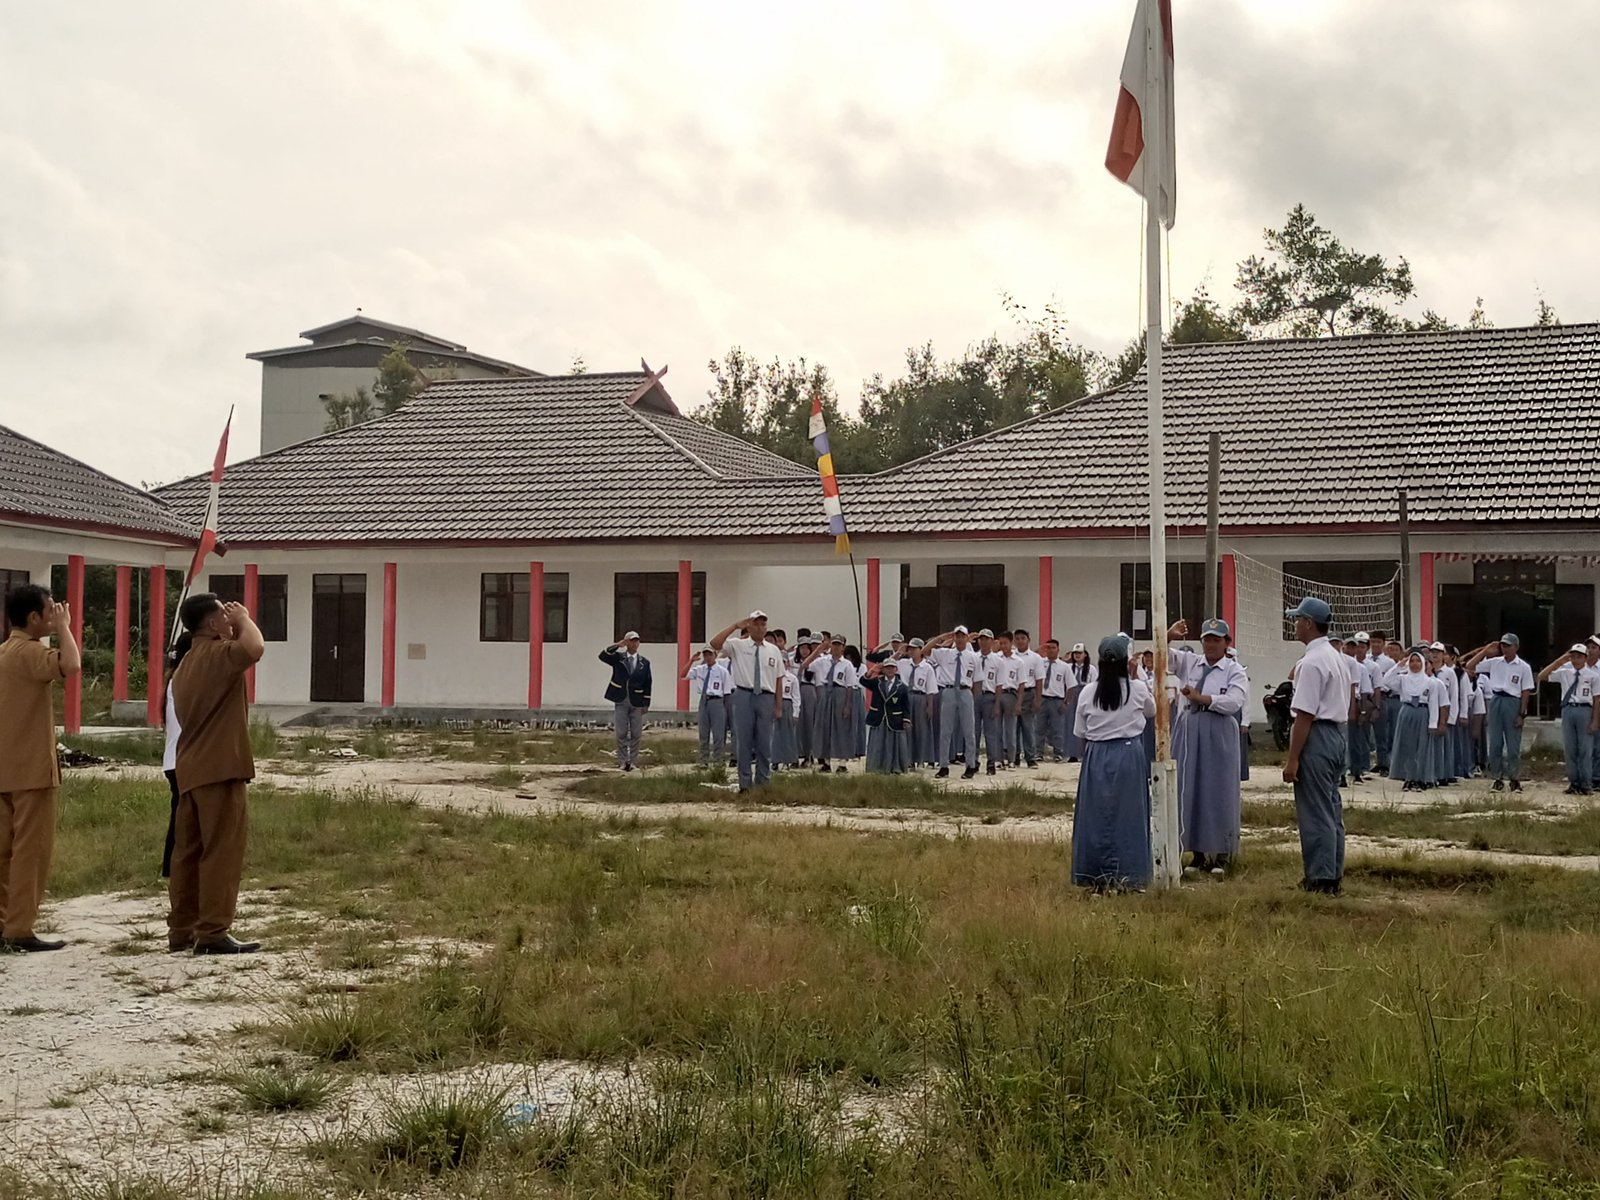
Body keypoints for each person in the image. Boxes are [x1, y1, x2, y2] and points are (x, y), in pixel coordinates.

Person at [169, 593, 266, 954]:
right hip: (221, 766)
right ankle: (212, 932)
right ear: (211, 624)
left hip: (190, 767)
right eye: (222, 617)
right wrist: (242, 617)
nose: (228, 622)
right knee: (220, 851)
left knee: (187, 854)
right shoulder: (216, 655)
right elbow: (254, 647)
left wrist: (235, 621)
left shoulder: (185, 663)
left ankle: (182, 929)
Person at [0, 584, 81, 952]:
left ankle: (4, 922)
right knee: (30, 852)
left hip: (4, 767)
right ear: (34, 618)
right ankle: (19, 928)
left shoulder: (3, 651)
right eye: (50, 611)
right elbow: (72, 665)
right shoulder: (31, 652)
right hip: (31, 769)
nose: (54, 614)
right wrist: (66, 627)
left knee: (3, 852)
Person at [1070, 636, 1156, 891]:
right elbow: (1151, 711)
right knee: (1129, 815)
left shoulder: (1088, 691)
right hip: (1129, 753)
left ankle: (1093, 874)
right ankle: (1130, 875)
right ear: (1124, 662)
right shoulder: (1137, 689)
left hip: (1096, 754)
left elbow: (1080, 731)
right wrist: (1134, 674)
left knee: (1096, 816)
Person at [1166, 619, 1249, 875]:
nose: (1211, 644)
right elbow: (1162, 659)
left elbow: (1233, 702)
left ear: (1227, 643)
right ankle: (1197, 853)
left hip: (1219, 728)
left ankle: (1222, 853)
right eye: (1207, 639)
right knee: (1189, 788)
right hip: (1190, 726)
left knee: (1219, 787)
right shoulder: (1191, 662)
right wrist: (1168, 636)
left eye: (1216, 639)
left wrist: (1201, 698)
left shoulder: (1234, 670)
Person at [1282, 597, 1347, 896]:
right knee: (1331, 808)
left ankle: (1320, 878)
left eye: (1297, 619)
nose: (1295, 624)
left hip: (1317, 736)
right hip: (1336, 734)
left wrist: (1293, 759)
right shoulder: (1335, 656)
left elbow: (1305, 714)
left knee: (1315, 810)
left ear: (1308, 623)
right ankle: (1332, 873)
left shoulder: (1311, 662)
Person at [710, 611, 785, 792]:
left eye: (763, 624)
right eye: (756, 624)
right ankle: (745, 783)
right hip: (744, 695)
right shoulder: (738, 645)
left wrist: (778, 706)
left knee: (764, 742)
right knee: (743, 741)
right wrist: (735, 626)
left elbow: (778, 679)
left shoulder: (773, 650)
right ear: (749, 626)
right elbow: (715, 644)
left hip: (766, 696)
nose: (760, 627)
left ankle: (763, 782)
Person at [1463, 635, 1535, 792]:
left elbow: (1525, 691)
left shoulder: (1523, 667)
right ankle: (1497, 777)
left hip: (1513, 701)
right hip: (1496, 700)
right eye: (1503, 646)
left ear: (1516, 647)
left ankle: (1514, 778)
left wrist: (1521, 714)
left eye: (1508, 646)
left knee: (1513, 745)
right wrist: (1484, 651)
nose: (1505, 648)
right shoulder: (1495, 663)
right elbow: (1470, 665)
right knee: (1495, 743)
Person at [1539, 644, 1600, 796]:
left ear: (1585, 658)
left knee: (1585, 749)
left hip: (1584, 708)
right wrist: (1561, 660)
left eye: (1579, 656)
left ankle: (1586, 783)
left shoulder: (1593, 676)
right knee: (1570, 748)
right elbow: (1542, 676)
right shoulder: (1565, 672)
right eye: (1573, 656)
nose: (1575, 660)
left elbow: (1596, 699)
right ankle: (1574, 782)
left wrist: (1595, 720)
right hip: (1568, 709)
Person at [160, 632, 194, 878]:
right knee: (181, 818)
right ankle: (173, 868)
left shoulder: (174, 678)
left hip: (174, 759)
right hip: (180, 759)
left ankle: (172, 867)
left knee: (179, 815)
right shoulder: (184, 679)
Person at [926, 627, 978, 779]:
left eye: (963, 636)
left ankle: (970, 765)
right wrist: (943, 637)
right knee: (945, 730)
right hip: (948, 690)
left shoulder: (973, 657)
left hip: (965, 690)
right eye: (957, 636)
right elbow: (925, 650)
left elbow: (977, 680)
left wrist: (974, 697)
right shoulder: (945, 653)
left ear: (967, 638)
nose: (960, 639)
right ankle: (943, 765)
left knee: (969, 731)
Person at [801, 635, 859, 773]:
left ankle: (842, 762)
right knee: (824, 727)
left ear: (843, 647)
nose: (836, 647)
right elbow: (805, 665)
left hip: (840, 694)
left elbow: (850, 686)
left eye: (839, 645)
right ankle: (825, 761)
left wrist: (847, 706)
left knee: (841, 728)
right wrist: (817, 650)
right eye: (834, 644)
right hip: (825, 693)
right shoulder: (822, 661)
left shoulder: (847, 664)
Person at [1388, 648, 1441, 792]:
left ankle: (1421, 778)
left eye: (1418, 661)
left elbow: (1434, 703)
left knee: (1422, 747)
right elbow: (1386, 680)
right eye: (1412, 661)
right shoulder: (1403, 678)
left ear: (1423, 663)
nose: (1415, 664)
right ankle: (1408, 778)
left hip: (1423, 712)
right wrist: (1399, 665)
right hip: (1407, 711)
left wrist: (1433, 723)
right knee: (1407, 747)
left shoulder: (1431, 682)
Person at [599, 632, 652, 772]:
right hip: (621, 699)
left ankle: (633, 761)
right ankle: (623, 761)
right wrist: (617, 645)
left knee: (636, 733)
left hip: (637, 701)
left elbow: (648, 683)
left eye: (636, 641)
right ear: (627, 642)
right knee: (621, 732)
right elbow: (603, 656)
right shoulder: (618, 658)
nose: (634, 644)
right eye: (631, 641)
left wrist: (646, 702)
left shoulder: (644, 662)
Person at [684, 646, 732, 768]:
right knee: (703, 732)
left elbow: (727, 692)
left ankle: (718, 760)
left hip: (717, 701)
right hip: (704, 700)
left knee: (718, 733)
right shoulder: (700, 669)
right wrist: (691, 660)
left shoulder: (722, 671)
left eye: (710, 655)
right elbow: (683, 674)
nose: (708, 657)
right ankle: (703, 760)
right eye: (705, 655)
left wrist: (724, 709)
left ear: (715, 655)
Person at [865, 659, 912, 774]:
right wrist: (871, 671)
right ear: (884, 669)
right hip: (879, 718)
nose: (890, 670)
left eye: (892, 667)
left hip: (894, 719)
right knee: (878, 744)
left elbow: (906, 705)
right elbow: (863, 681)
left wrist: (906, 719)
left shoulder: (902, 686)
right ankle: (876, 767)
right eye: (887, 667)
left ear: (896, 669)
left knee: (894, 745)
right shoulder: (877, 682)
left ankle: (895, 767)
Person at [1012, 629, 1043, 768]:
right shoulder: (1010, 656)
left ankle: (1031, 757)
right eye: (1017, 638)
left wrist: (1038, 698)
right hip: (1013, 693)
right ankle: (1015, 756)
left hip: (1029, 694)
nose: (1020, 641)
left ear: (1028, 640)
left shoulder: (1035, 658)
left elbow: (1039, 680)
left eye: (1022, 638)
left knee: (1028, 727)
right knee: (1013, 727)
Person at [1037, 640, 1071, 763]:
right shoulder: (1040, 663)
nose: (1051, 650)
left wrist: (1066, 702)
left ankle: (1058, 753)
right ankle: (1038, 752)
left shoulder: (1064, 666)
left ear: (1058, 649)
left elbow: (1071, 686)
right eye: (1049, 648)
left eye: (1053, 647)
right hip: (1042, 698)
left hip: (1057, 700)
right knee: (1039, 728)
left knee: (1057, 729)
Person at [1063, 642, 1095, 762]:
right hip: (1072, 696)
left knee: (1084, 723)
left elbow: (1093, 684)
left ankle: (1084, 752)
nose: (1077, 655)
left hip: (1085, 694)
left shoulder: (1091, 669)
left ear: (1085, 654)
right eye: (1075, 653)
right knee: (1071, 724)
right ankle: (1072, 753)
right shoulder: (1068, 667)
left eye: (1080, 653)